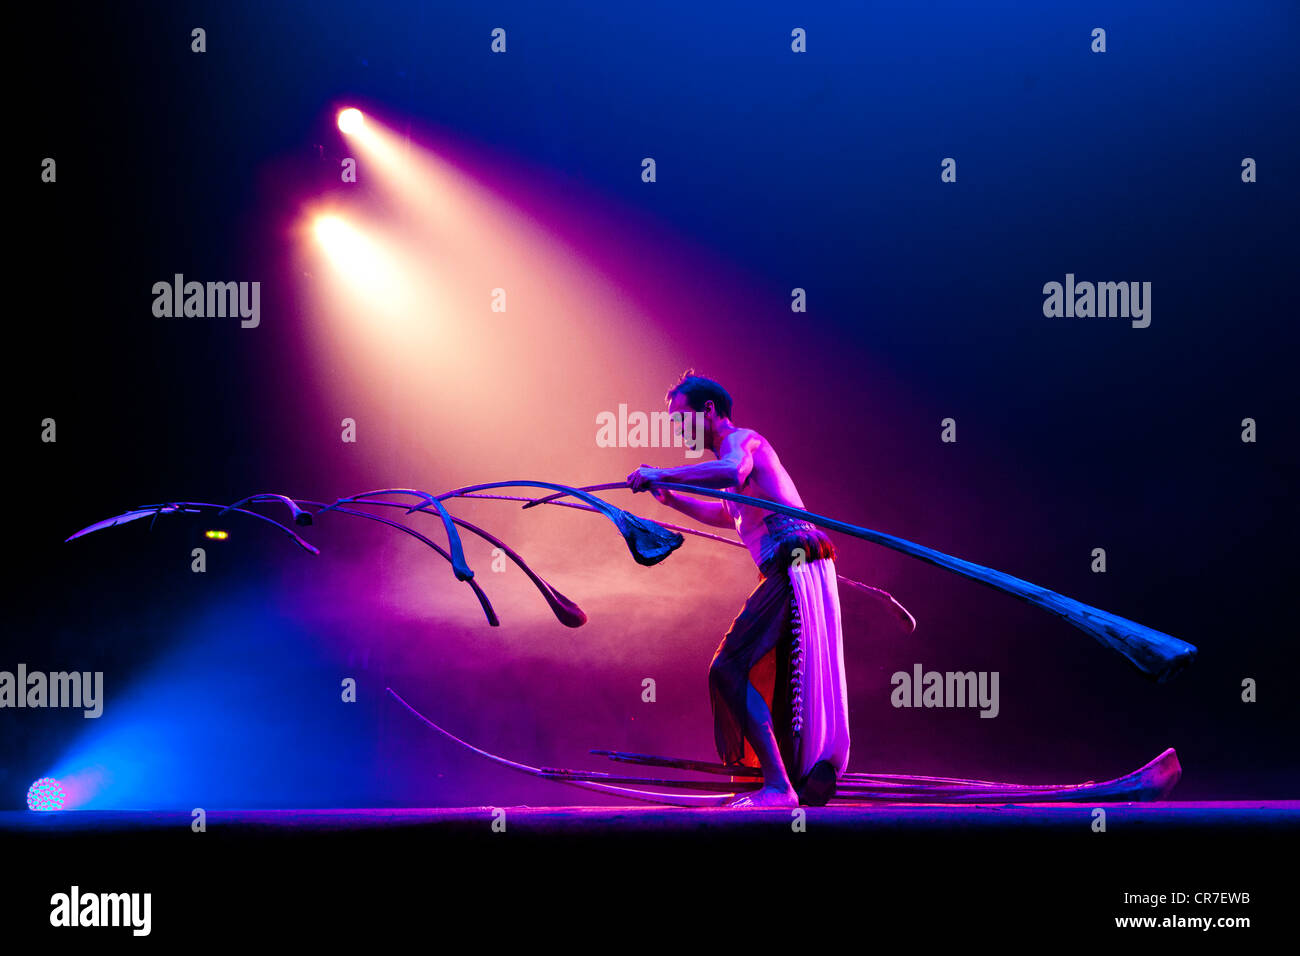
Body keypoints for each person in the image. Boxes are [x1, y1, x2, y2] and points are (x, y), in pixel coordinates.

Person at [627, 371, 851, 807]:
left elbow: (730, 470)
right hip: (792, 568)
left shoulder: (742, 442)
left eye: (681, 418)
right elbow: (726, 514)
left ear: (709, 411)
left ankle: (779, 787)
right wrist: (671, 496)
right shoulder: (731, 464)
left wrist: (662, 471)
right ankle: (793, 779)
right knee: (785, 678)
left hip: (794, 562)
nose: (678, 429)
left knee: (727, 667)